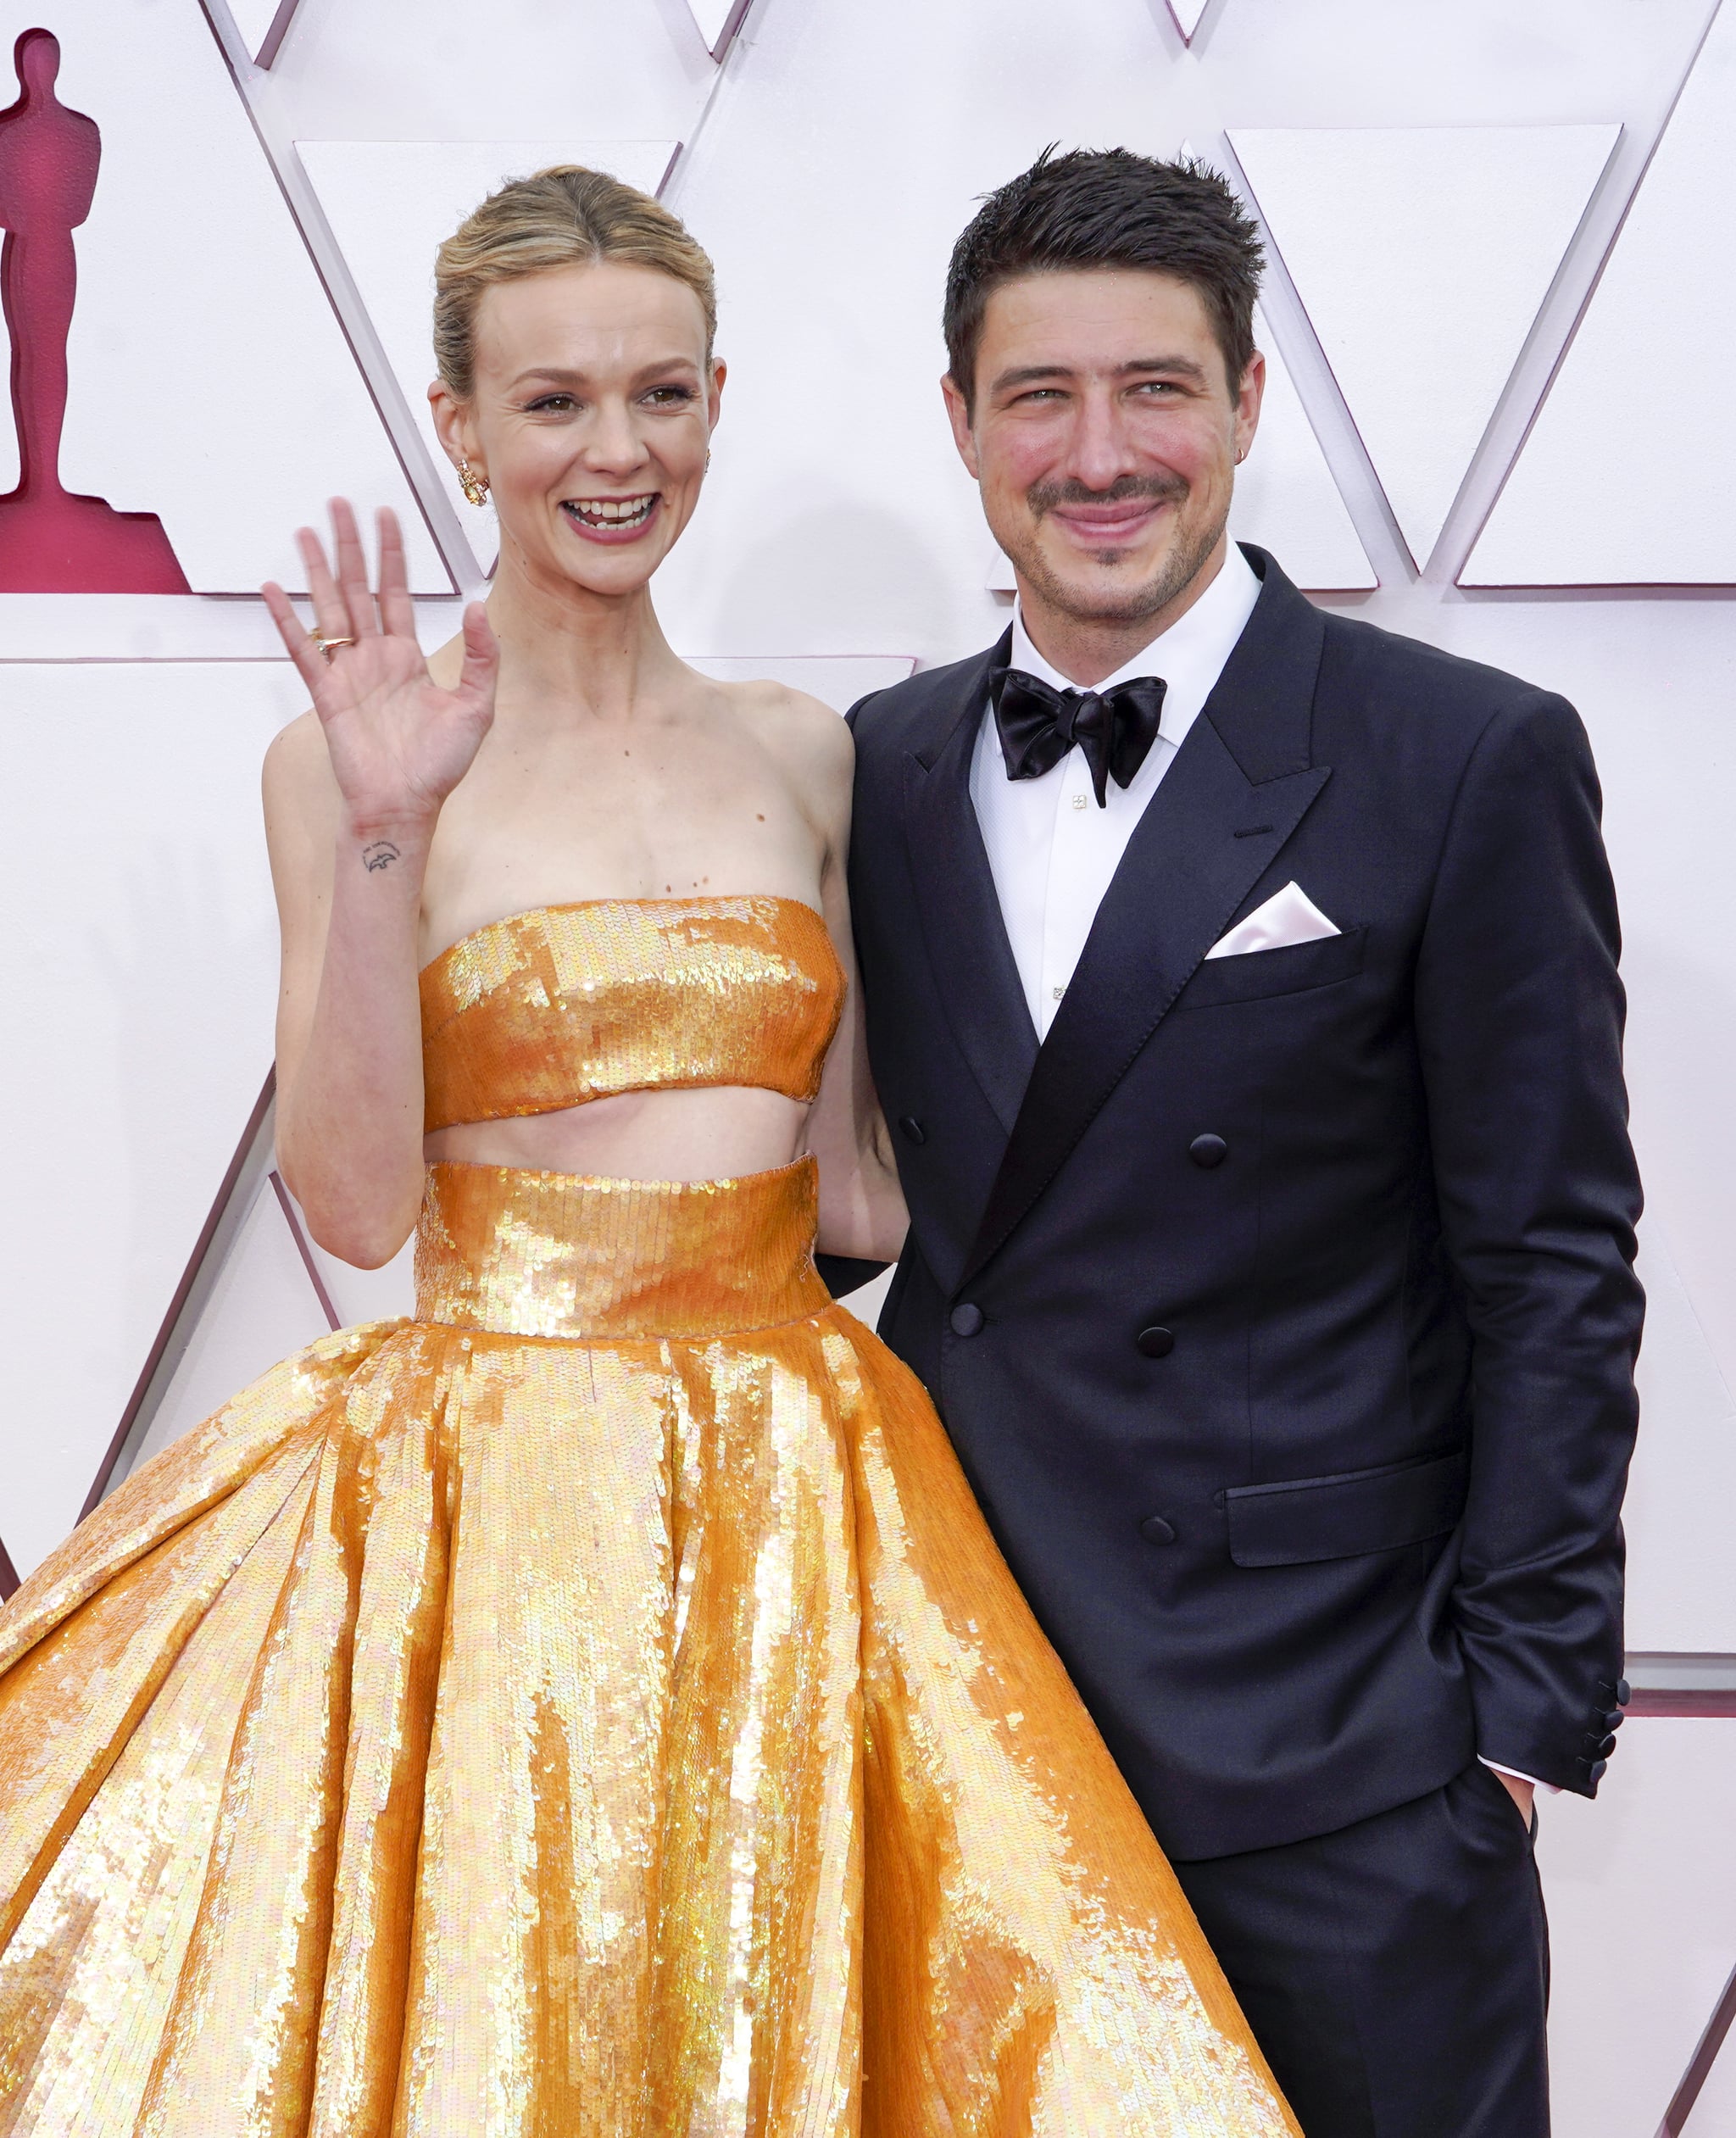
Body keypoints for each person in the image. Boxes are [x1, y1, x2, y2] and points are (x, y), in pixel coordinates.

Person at [0, 166, 1298, 2136]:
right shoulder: (349, 761)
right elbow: (354, 1205)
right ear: (459, 424)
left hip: (801, 1492)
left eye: (662, 396)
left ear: (714, 401)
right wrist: (379, 829)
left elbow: (862, 1185)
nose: (617, 452)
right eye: (553, 403)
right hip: (488, 1502)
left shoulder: (807, 750)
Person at [841, 148, 1644, 2137]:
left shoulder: (1460, 753)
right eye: (1038, 395)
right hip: (976, 1717)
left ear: (1246, 402)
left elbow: (1551, 1262)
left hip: (1337, 1747)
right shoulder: (873, 764)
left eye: (1155, 388)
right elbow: (841, 1214)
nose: (1098, 453)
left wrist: (1512, 1728)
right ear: (959, 424)